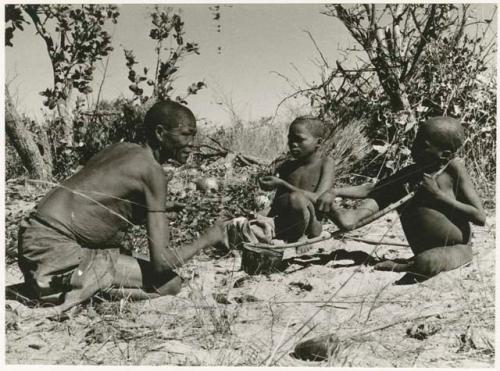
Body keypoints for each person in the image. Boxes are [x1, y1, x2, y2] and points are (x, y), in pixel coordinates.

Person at [16, 100, 226, 316]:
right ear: (160, 133)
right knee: (170, 283)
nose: (192, 143)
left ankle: (67, 286)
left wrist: (146, 211)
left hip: (32, 244)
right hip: (56, 254)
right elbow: (162, 263)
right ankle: (92, 297)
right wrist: (209, 237)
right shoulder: (153, 172)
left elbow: (95, 202)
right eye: (186, 134)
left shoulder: (120, 148)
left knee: (139, 264)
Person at [316, 116, 485, 282]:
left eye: (422, 145)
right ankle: (351, 218)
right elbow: (373, 189)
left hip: (457, 248)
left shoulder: (453, 169)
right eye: (415, 141)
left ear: (445, 154)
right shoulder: (410, 173)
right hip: (422, 250)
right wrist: (336, 191)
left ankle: (403, 266)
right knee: (389, 189)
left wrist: (437, 196)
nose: (413, 147)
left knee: (427, 262)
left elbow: (479, 217)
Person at [259, 116, 335, 243]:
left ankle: (304, 235)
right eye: (290, 139)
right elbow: (279, 203)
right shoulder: (287, 166)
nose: (293, 144)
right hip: (286, 221)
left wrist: (283, 184)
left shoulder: (325, 163)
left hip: (312, 222)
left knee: (296, 198)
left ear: (319, 142)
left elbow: (319, 198)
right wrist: (259, 215)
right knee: (244, 222)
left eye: (299, 139)